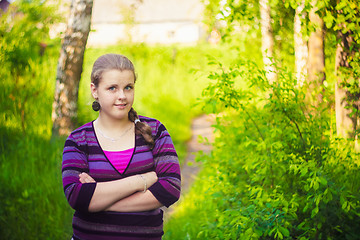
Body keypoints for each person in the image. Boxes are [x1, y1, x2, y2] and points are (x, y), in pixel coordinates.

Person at [62, 53, 181, 240]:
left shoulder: (155, 131)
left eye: (128, 87)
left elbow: (170, 189)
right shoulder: (78, 139)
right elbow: (77, 197)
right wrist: (142, 180)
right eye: (112, 88)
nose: (122, 96)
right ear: (94, 90)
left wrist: (101, 201)